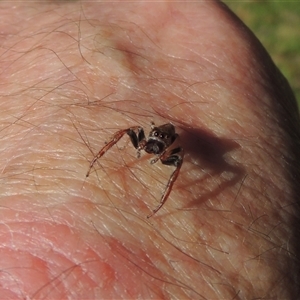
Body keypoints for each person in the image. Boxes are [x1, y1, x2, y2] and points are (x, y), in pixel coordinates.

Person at [0, 1, 299, 298]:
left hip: (173, 138)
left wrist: (163, 176)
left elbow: (177, 157)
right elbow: (125, 131)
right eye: (149, 144)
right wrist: (100, 155)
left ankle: (158, 194)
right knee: (123, 131)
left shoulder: (170, 150)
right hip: (163, 131)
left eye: (153, 146)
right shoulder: (144, 137)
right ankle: (100, 160)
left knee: (179, 164)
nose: (148, 148)